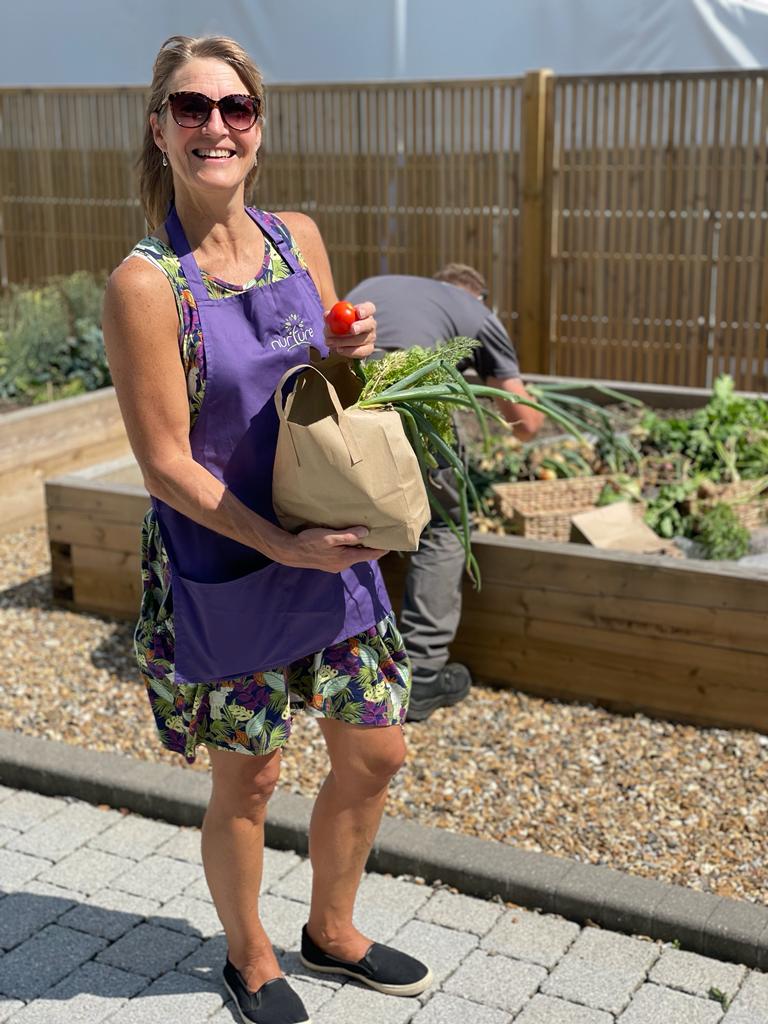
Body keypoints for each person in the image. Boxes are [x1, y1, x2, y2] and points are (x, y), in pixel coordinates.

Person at [102, 35, 431, 1024]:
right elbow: (166, 463)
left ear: (259, 125)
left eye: (235, 108)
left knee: (376, 754)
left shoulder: (299, 239)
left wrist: (350, 348)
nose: (216, 126)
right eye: (192, 108)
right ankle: (248, 956)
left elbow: (330, 391)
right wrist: (278, 543)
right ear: (159, 130)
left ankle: (332, 929)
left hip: (331, 545)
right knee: (252, 781)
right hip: (229, 563)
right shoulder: (147, 282)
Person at [346, 266, 544, 722]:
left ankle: (343, 664)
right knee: (444, 528)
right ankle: (424, 674)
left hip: (345, 400)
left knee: (350, 518)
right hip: (410, 398)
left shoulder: (378, 284)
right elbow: (528, 424)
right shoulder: (479, 316)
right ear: (480, 296)